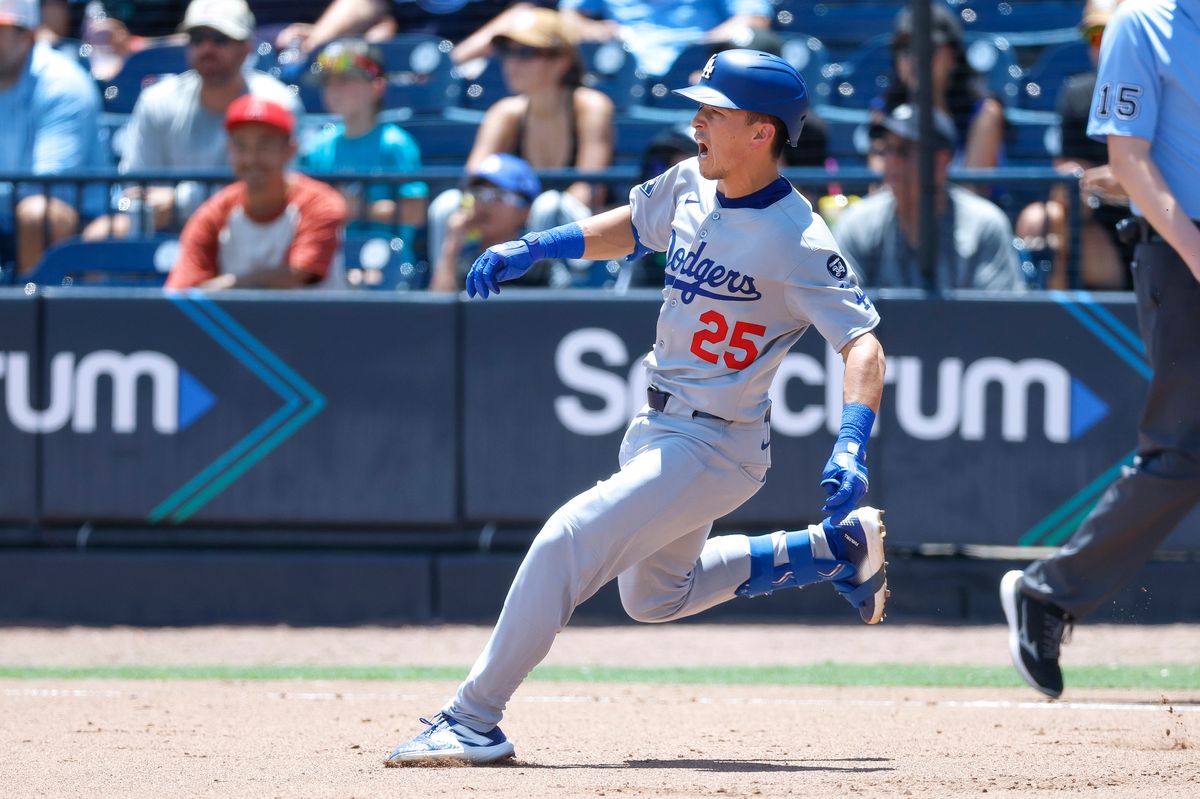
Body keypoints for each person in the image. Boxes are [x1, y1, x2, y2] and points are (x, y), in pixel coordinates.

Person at [386, 49, 888, 765]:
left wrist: (852, 441)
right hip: (656, 426)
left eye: (715, 112)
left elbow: (863, 344)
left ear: (763, 132)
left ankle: (473, 717)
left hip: (716, 444)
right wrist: (536, 245)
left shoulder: (799, 239)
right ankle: (829, 550)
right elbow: (627, 226)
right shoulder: (691, 183)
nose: (697, 123)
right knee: (655, 597)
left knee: (567, 538)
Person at [1001, 0, 1200, 699]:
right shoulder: (1140, 24)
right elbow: (1128, 159)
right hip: (1182, 254)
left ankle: (1054, 592)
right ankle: (1049, 592)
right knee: (1183, 448)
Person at [82, 0, 304, 241]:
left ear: (246, 48)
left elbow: (280, 193)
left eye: (220, 39)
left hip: (252, 233)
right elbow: (134, 192)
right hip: (167, 235)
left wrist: (179, 201)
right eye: (197, 38)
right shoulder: (158, 100)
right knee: (98, 235)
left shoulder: (276, 103)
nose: (207, 48)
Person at [832, 104, 1025, 292]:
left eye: (903, 151)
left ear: (941, 161)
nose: (891, 161)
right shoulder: (857, 223)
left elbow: (1002, 317)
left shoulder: (984, 225)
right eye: (886, 150)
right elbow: (842, 311)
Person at [165, 96, 348, 289]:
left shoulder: (320, 202)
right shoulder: (213, 212)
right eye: (241, 145)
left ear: (290, 150)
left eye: (264, 145)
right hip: (232, 320)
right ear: (230, 150)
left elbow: (297, 275)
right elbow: (181, 291)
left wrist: (225, 286)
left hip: (315, 320)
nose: (252, 158)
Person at [1015, 0, 1131, 290]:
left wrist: (1115, 180)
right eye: (1095, 36)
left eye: (1111, 34)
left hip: (1152, 232)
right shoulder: (1078, 96)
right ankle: (1048, 323)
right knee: (1041, 218)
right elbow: (1071, 179)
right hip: (1097, 228)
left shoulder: (1167, 92)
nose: (1102, 47)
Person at [458, 6, 612, 213]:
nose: (512, 63)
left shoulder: (591, 106)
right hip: (516, 233)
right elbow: (472, 184)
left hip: (578, 236)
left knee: (551, 207)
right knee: (449, 205)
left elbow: (589, 192)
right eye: (507, 51)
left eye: (525, 52)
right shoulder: (504, 113)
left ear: (562, 61)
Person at [0, 0, 106, 275]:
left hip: (77, 224)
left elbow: (46, 187)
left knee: (39, 213)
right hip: (6, 218)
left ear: (28, 36)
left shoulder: (62, 84)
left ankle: (29, 315)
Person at [299, 38, 428, 249]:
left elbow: (414, 213)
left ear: (377, 86)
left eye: (346, 80)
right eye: (328, 82)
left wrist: (358, 209)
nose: (334, 89)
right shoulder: (319, 145)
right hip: (330, 255)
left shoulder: (396, 144)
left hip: (384, 256)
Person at [880, 1, 1005, 170]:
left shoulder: (985, 113)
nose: (916, 59)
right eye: (906, 48)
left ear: (953, 58)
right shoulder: (883, 113)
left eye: (927, 47)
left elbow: (973, 188)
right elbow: (882, 184)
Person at [427, 153, 579, 291]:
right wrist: (451, 249)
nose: (484, 204)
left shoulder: (540, 264)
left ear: (525, 210)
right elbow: (440, 314)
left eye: (498, 196)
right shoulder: (464, 262)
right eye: (478, 193)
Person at [558, 0, 772, 77]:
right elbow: (568, 19)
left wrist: (701, 45)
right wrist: (596, 30)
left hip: (700, 74)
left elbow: (754, 19)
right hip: (623, 76)